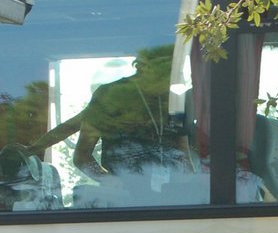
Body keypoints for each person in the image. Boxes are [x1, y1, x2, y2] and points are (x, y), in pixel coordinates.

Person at [29, 45, 190, 181]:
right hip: (123, 195)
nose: (173, 79)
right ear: (144, 67)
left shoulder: (172, 100)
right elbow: (81, 155)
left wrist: (192, 184)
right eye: (167, 71)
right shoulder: (111, 95)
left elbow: (184, 154)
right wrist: (110, 184)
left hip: (170, 197)